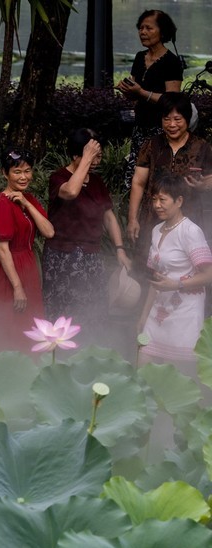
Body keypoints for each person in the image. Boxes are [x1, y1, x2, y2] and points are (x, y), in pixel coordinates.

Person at [43, 129, 133, 325]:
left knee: (93, 311)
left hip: (91, 255)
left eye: (99, 157)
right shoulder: (58, 177)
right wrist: (86, 159)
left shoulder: (98, 182)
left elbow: (109, 218)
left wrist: (120, 250)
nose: (96, 162)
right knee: (65, 314)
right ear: (76, 155)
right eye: (93, 157)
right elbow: (71, 191)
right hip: (62, 258)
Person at [127, 93, 212, 262]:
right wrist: (132, 219)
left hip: (189, 219)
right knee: (148, 267)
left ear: (188, 120)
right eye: (166, 119)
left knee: (186, 266)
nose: (172, 125)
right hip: (152, 216)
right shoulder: (151, 145)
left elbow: (210, 179)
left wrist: (204, 185)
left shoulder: (202, 147)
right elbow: (138, 182)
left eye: (178, 119)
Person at [139, 174, 212, 369]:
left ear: (179, 201)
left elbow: (209, 275)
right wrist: (144, 314)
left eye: (163, 199)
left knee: (177, 373)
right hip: (158, 309)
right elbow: (155, 278)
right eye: (154, 199)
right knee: (143, 360)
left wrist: (177, 284)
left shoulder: (190, 231)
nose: (157, 205)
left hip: (185, 312)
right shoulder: (156, 230)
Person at [0, 150, 55, 355]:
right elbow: (1, 248)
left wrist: (26, 203)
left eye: (27, 171)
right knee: (11, 324)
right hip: (10, 269)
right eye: (17, 172)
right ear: (5, 173)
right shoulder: (1, 203)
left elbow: (49, 231)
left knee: (31, 323)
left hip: (28, 264)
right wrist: (17, 286)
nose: (24, 176)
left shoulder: (29, 199)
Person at [116, 9, 183, 191]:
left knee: (157, 179)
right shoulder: (139, 57)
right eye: (141, 28)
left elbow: (172, 100)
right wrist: (127, 90)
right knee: (134, 180)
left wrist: (142, 92)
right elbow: (135, 93)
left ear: (162, 32)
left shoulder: (171, 62)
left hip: (160, 129)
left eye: (148, 28)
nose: (143, 32)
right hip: (140, 126)